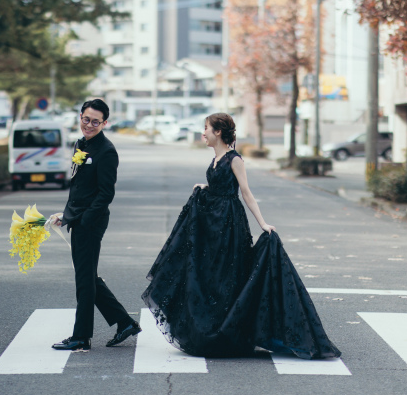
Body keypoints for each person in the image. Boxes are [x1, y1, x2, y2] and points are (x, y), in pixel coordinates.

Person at [142, 113, 341, 359]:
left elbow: (246, 193)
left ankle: (229, 332)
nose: (202, 133)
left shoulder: (234, 159)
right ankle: (212, 328)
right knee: (211, 276)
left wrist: (263, 223)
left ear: (218, 132)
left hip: (228, 223)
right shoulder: (215, 158)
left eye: (206, 129)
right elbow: (219, 186)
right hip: (211, 224)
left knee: (227, 276)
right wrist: (205, 188)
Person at [51, 99, 141, 352]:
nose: (89, 125)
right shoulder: (81, 144)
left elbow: (105, 194)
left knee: (84, 280)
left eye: (95, 122)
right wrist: (66, 215)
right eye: (86, 119)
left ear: (104, 123)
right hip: (78, 219)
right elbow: (80, 187)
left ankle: (82, 337)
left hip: (91, 222)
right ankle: (124, 323)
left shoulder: (107, 151)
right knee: (88, 276)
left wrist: (84, 220)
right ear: (80, 116)